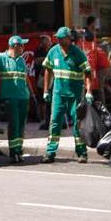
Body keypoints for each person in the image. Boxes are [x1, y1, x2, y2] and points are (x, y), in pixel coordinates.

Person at [42, 26, 92, 163]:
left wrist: (89, 92)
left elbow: (88, 73)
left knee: (77, 124)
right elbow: (48, 70)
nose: (58, 40)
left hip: (74, 96)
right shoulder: (53, 52)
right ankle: (50, 152)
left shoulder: (78, 53)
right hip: (58, 95)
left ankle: (82, 153)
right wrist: (46, 90)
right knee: (55, 123)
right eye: (57, 38)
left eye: (61, 38)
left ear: (69, 38)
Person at [0, 36, 35, 164]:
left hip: (24, 97)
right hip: (10, 97)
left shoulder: (21, 60)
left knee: (21, 125)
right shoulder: (1, 57)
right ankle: (13, 152)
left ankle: (18, 150)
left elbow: (26, 78)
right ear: (15, 45)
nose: (24, 47)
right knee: (14, 124)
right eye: (22, 45)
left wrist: (32, 94)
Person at [84, 38, 111, 104]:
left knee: (100, 87)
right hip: (105, 67)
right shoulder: (96, 48)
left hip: (102, 68)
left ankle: (103, 105)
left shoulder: (94, 49)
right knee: (103, 85)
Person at [33, 34, 52, 130]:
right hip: (41, 78)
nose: (46, 43)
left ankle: (48, 119)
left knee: (49, 101)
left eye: (47, 41)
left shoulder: (52, 50)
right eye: (44, 41)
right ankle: (43, 118)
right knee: (42, 99)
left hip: (51, 78)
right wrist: (47, 59)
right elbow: (36, 61)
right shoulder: (38, 51)